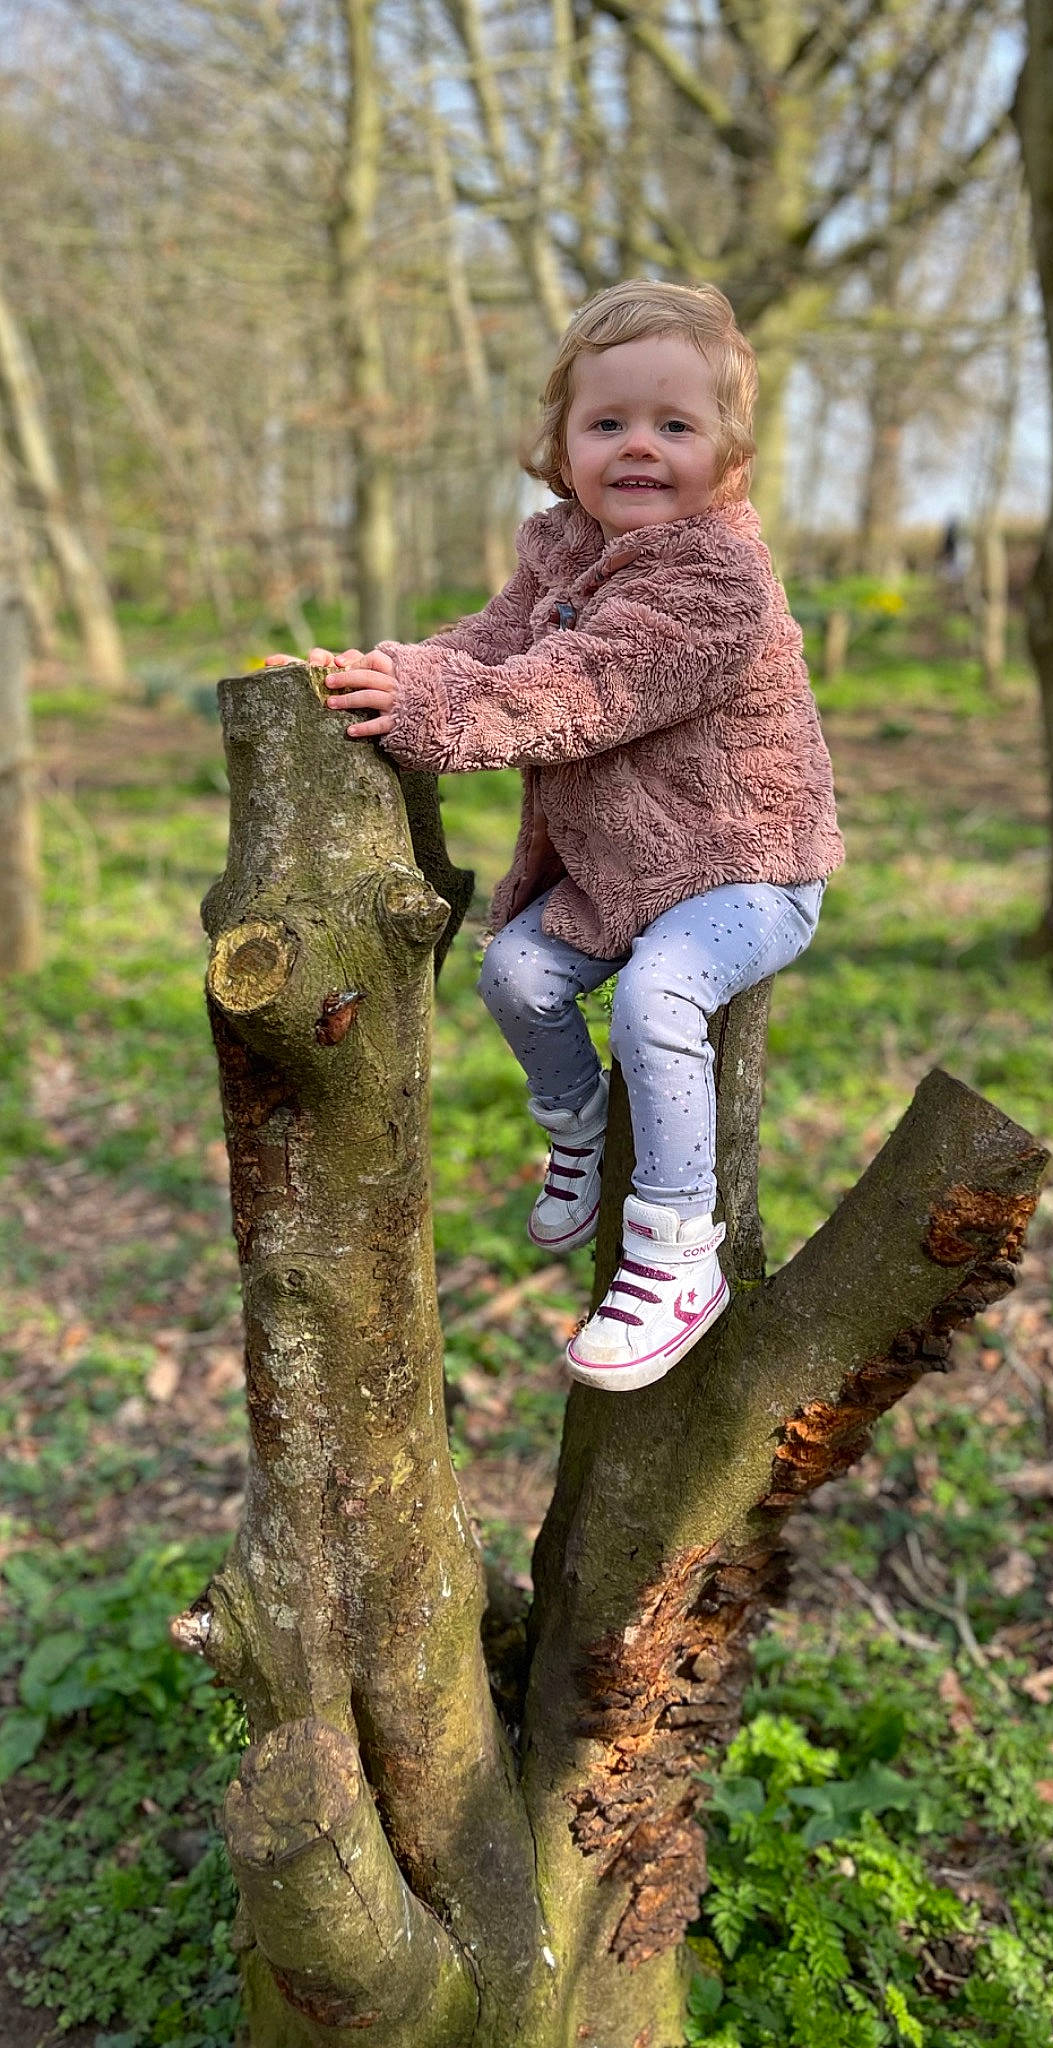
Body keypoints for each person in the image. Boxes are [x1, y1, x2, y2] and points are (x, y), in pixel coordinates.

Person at [267, 280, 843, 1394]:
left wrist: (433, 715)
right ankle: (577, 1120)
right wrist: (393, 672)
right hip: (632, 870)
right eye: (607, 422)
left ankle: (679, 1251)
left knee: (657, 997)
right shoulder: (559, 550)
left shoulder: (719, 581)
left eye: (673, 425)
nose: (638, 446)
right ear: (560, 441)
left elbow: (580, 688)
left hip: (747, 867)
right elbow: (492, 640)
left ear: (727, 453)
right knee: (519, 970)